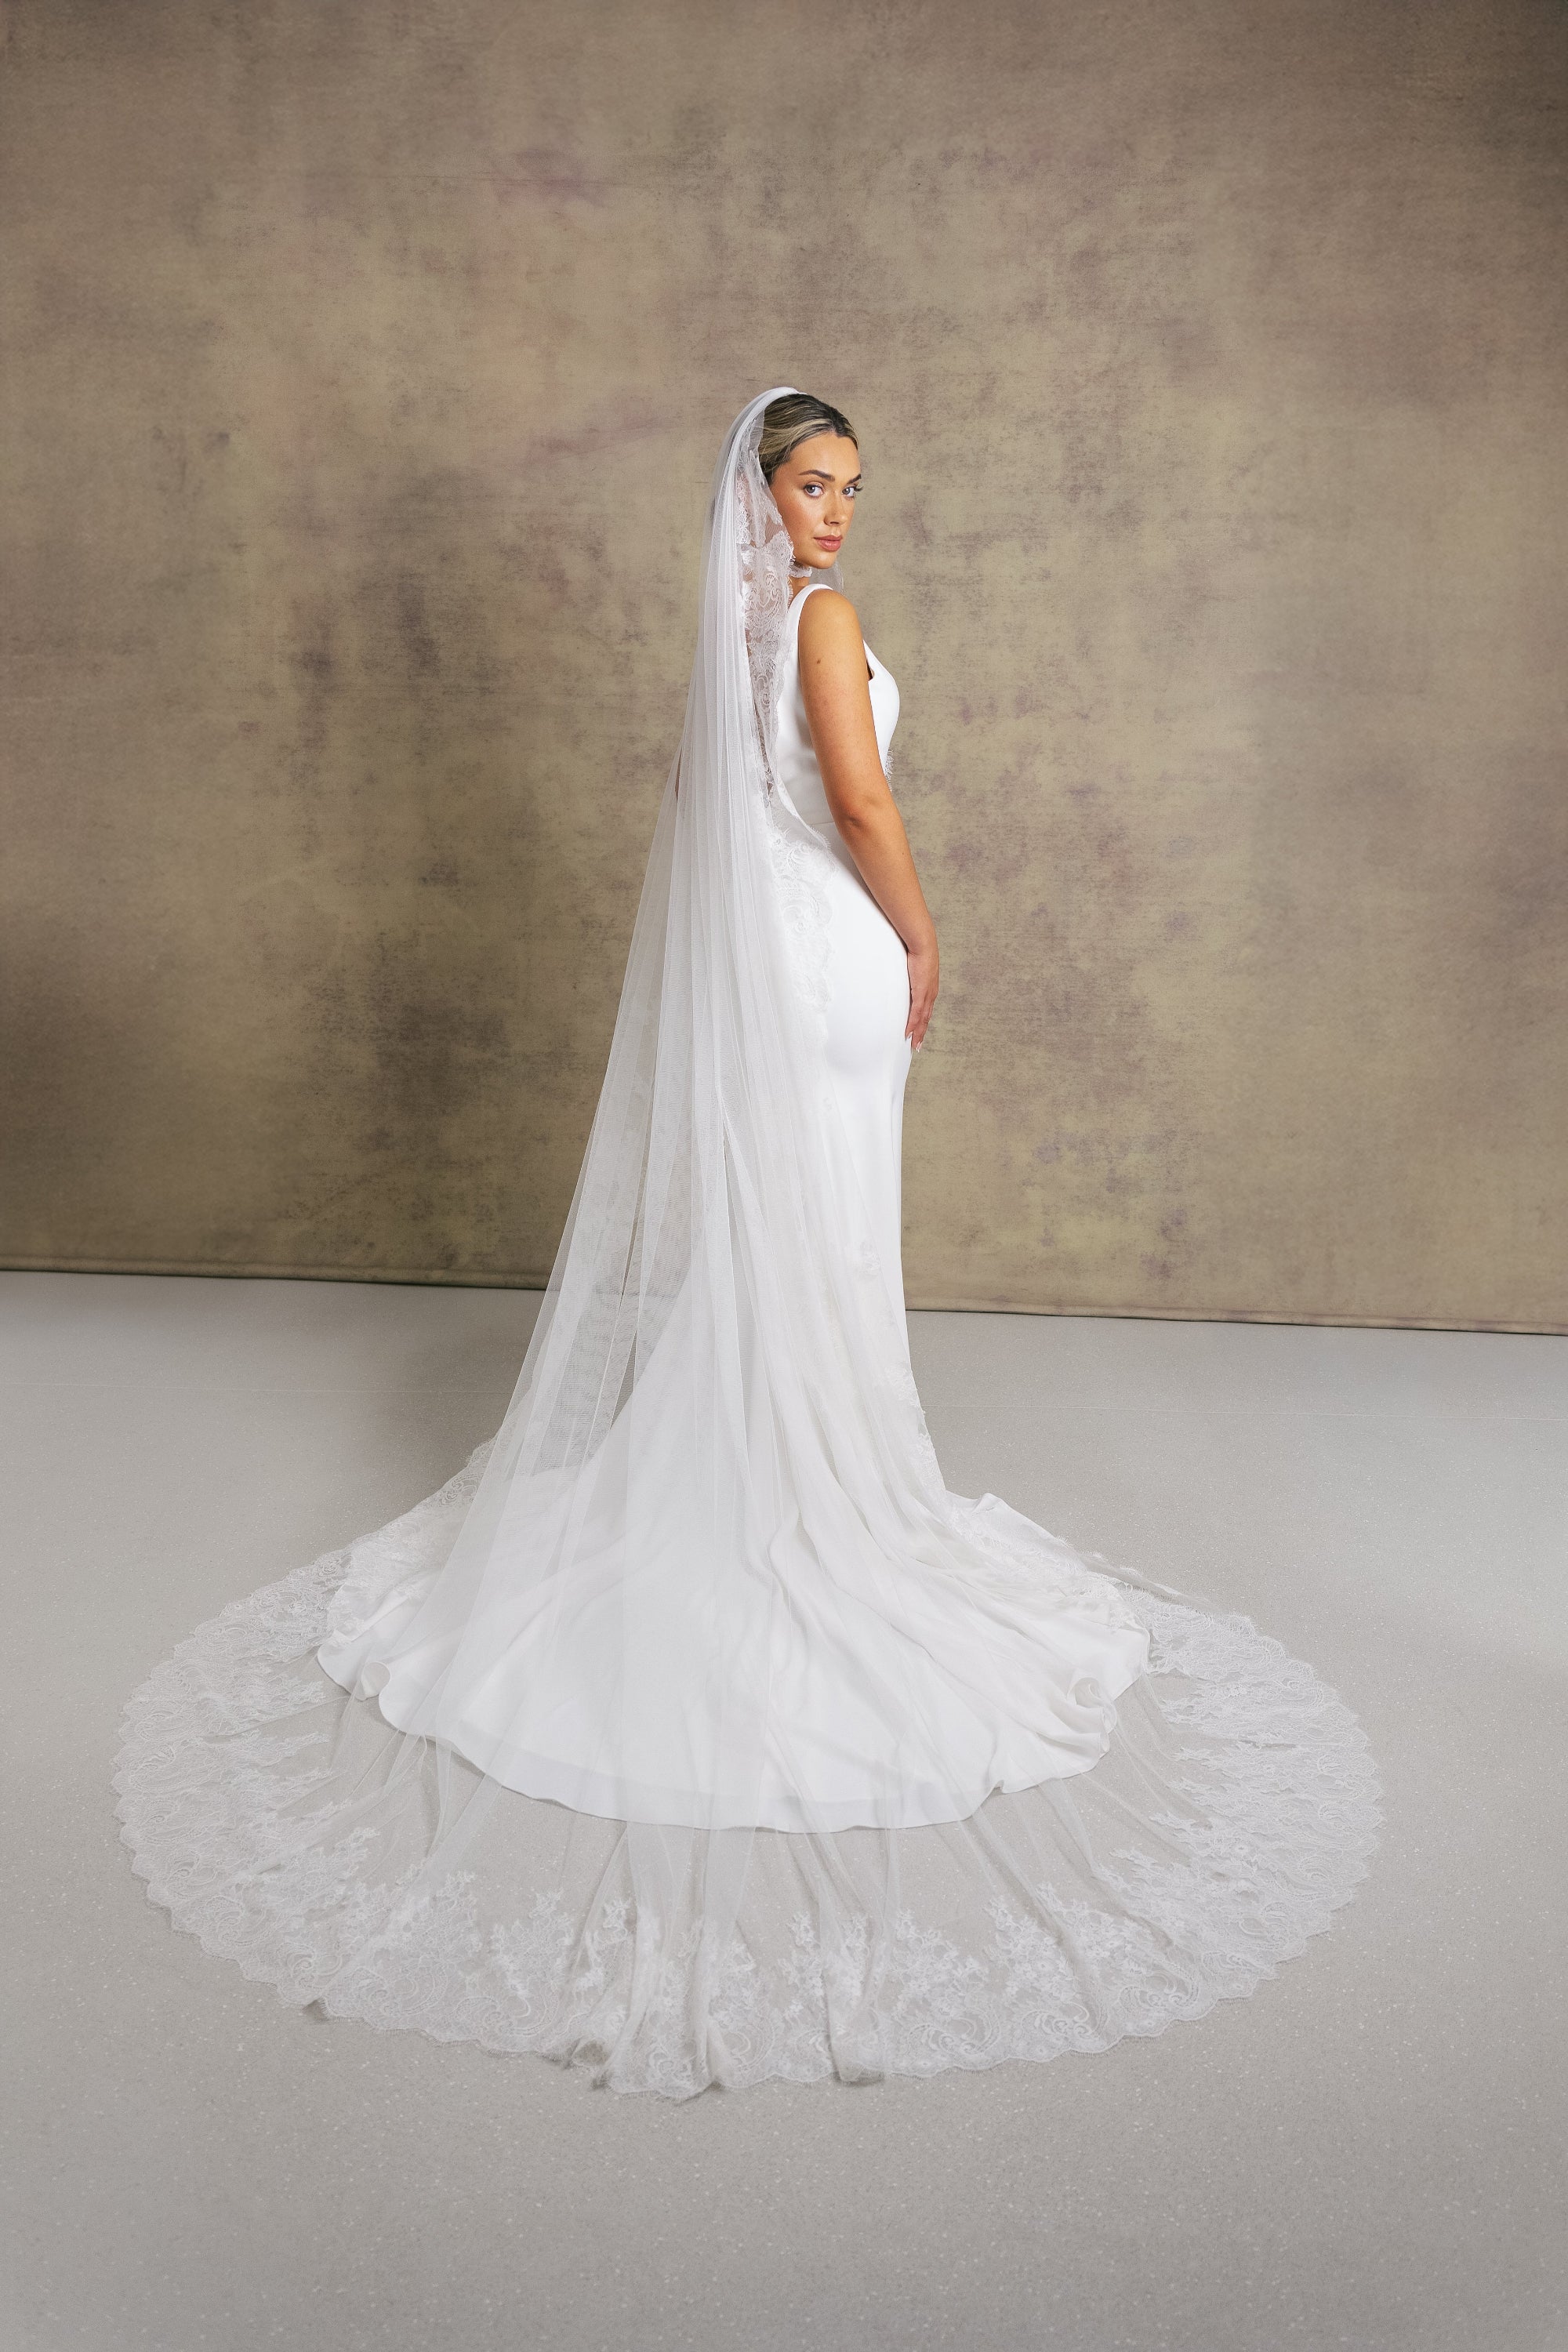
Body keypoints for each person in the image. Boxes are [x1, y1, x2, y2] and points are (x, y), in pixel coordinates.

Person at [116, 389, 1379, 2097]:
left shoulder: (737, 630)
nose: (837, 512)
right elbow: (859, 806)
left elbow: (748, 810)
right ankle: (823, 1487)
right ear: (759, 492)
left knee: (784, 1229)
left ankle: (776, 1466)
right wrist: (923, 935)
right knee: (830, 1225)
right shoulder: (825, 620)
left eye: (852, 487)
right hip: (839, 950)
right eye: (810, 484)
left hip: (765, 968)